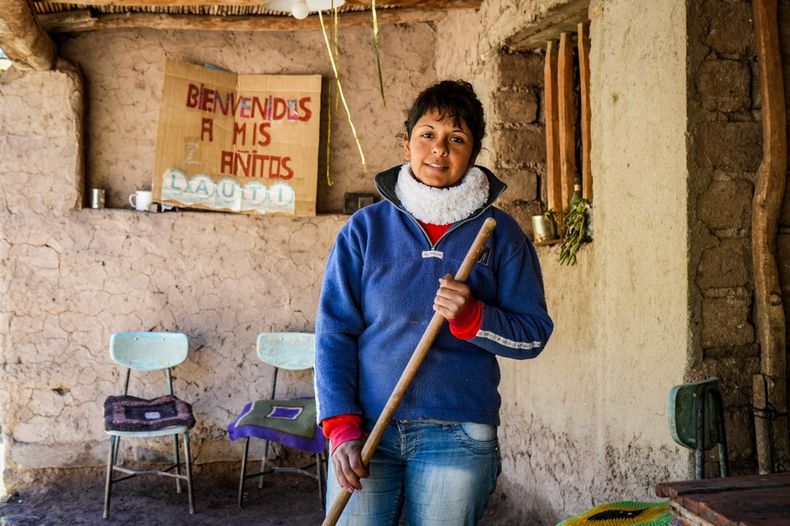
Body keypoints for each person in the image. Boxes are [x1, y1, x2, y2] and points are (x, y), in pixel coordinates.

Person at [315, 80, 553, 526]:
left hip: (458, 433)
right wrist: (341, 427)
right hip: (366, 431)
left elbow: (533, 335)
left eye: (456, 139)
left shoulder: (500, 234)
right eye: (428, 135)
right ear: (406, 143)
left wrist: (472, 316)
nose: (439, 150)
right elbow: (333, 334)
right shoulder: (364, 230)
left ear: (474, 151)